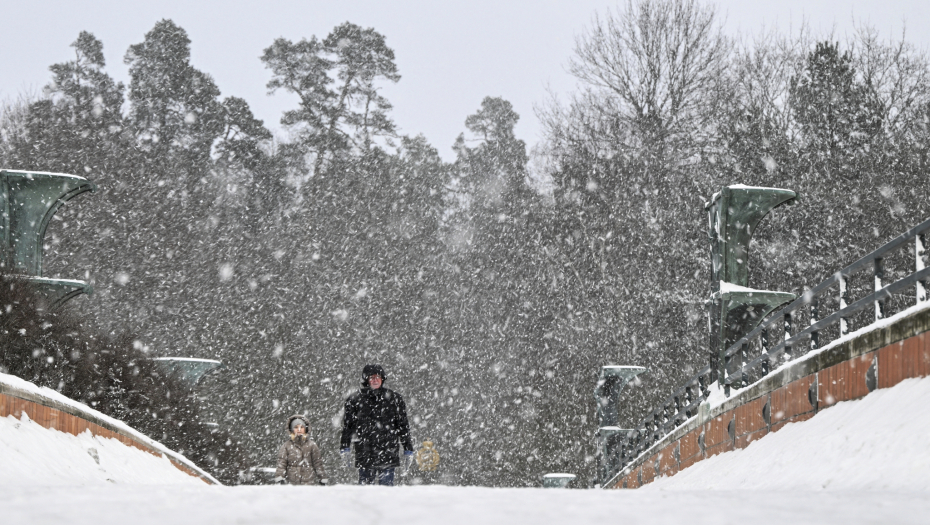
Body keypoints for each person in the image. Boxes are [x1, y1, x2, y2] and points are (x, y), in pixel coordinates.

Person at [340, 364, 414, 485]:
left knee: (386, 492)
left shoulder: (394, 399)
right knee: (365, 491)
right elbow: (348, 426)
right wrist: (344, 446)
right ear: (366, 379)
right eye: (372, 377)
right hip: (365, 453)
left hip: (388, 452)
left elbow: (403, 426)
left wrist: (408, 448)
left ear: (382, 379)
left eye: (378, 377)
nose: (375, 380)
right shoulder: (354, 400)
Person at [274, 414, 328, 485]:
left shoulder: (312, 445)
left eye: (301, 427)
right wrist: (280, 478)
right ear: (292, 430)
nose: (299, 429)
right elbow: (281, 464)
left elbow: (318, 463)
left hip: (308, 484)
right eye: (296, 427)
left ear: (305, 429)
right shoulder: (286, 446)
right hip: (291, 484)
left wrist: (322, 478)